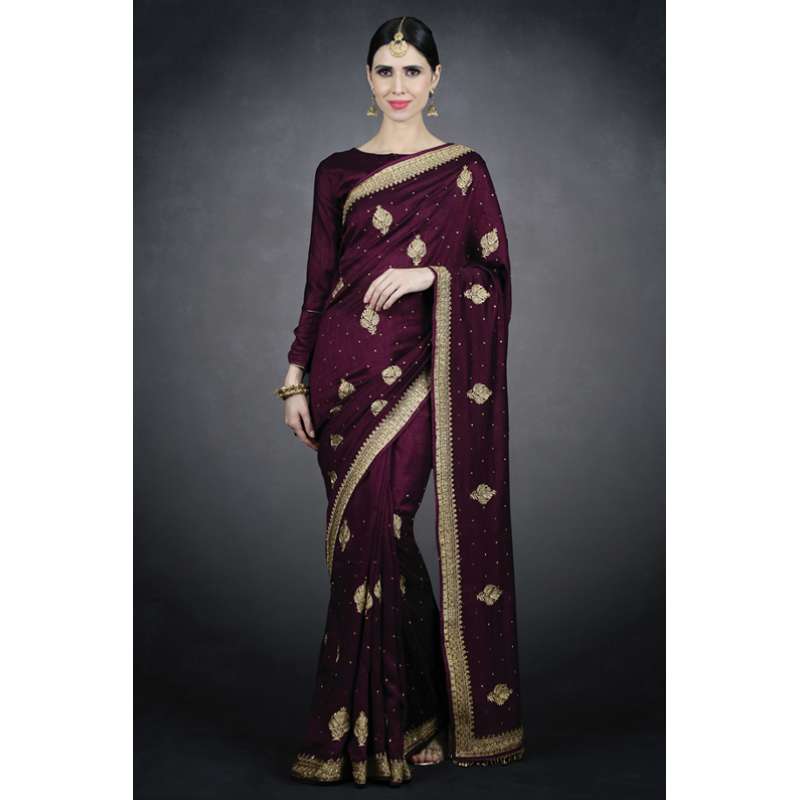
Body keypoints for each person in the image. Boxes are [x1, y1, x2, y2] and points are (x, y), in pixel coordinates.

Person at [276, 15, 525, 787]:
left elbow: (495, 279)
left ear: (435, 79)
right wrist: (294, 376)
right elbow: (319, 284)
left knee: (386, 524)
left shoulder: (464, 171)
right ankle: (413, 716)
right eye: (385, 70)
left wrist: (431, 277)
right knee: (367, 546)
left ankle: (380, 723)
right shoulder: (337, 172)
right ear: (368, 76)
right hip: (339, 380)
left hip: (420, 371)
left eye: (412, 70)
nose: (397, 86)